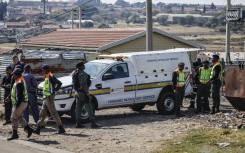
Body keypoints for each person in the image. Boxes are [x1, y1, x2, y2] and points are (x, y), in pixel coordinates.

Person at [33, 64, 65, 134]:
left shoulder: (50, 76)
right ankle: (38, 128)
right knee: (42, 113)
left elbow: (59, 83)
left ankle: (61, 128)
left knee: (53, 113)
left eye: (43, 69)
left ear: (46, 69)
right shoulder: (47, 76)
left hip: (49, 97)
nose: (42, 70)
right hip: (46, 97)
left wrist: (54, 91)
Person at [7, 68, 33, 140]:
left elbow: (19, 95)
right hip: (23, 102)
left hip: (21, 102)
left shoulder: (19, 83)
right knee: (19, 117)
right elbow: (15, 93)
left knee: (13, 117)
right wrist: (9, 97)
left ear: (17, 75)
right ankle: (29, 129)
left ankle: (15, 134)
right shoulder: (19, 81)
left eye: (14, 75)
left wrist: (16, 105)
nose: (13, 76)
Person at [74, 62, 101, 128]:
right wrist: (87, 94)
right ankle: (93, 123)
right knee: (89, 107)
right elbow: (84, 85)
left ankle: (78, 123)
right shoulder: (82, 74)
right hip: (83, 93)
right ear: (80, 67)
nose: (84, 66)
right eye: (83, 65)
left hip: (77, 93)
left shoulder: (75, 74)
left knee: (78, 108)